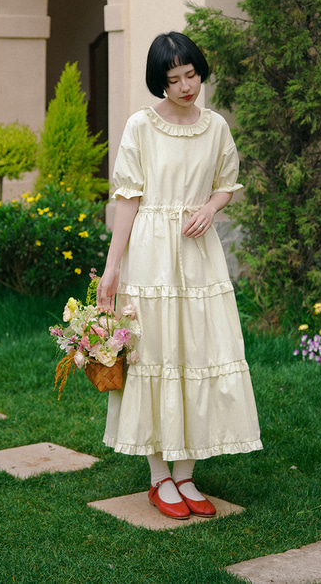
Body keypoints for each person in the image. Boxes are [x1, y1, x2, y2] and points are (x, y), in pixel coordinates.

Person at [96, 31, 262, 520]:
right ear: (159, 82)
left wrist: (211, 207)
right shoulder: (140, 128)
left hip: (199, 256)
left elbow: (225, 184)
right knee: (154, 354)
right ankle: (158, 477)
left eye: (192, 75)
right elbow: (127, 199)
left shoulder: (216, 127)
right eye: (174, 79)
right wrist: (112, 269)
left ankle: (186, 473)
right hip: (150, 257)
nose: (187, 86)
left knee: (198, 350)